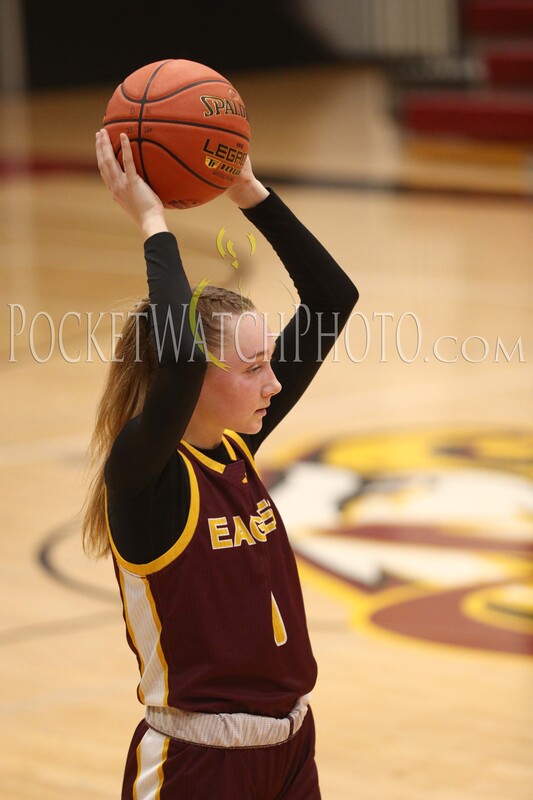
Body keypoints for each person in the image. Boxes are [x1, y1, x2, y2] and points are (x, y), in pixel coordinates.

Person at [84, 128, 358, 799]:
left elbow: (332, 298)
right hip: (198, 764)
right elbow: (178, 357)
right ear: (195, 381)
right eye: (252, 367)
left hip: (291, 750)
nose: (274, 383)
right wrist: (151, 220)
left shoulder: (235, 448)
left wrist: (247, 190)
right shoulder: (145, 476)